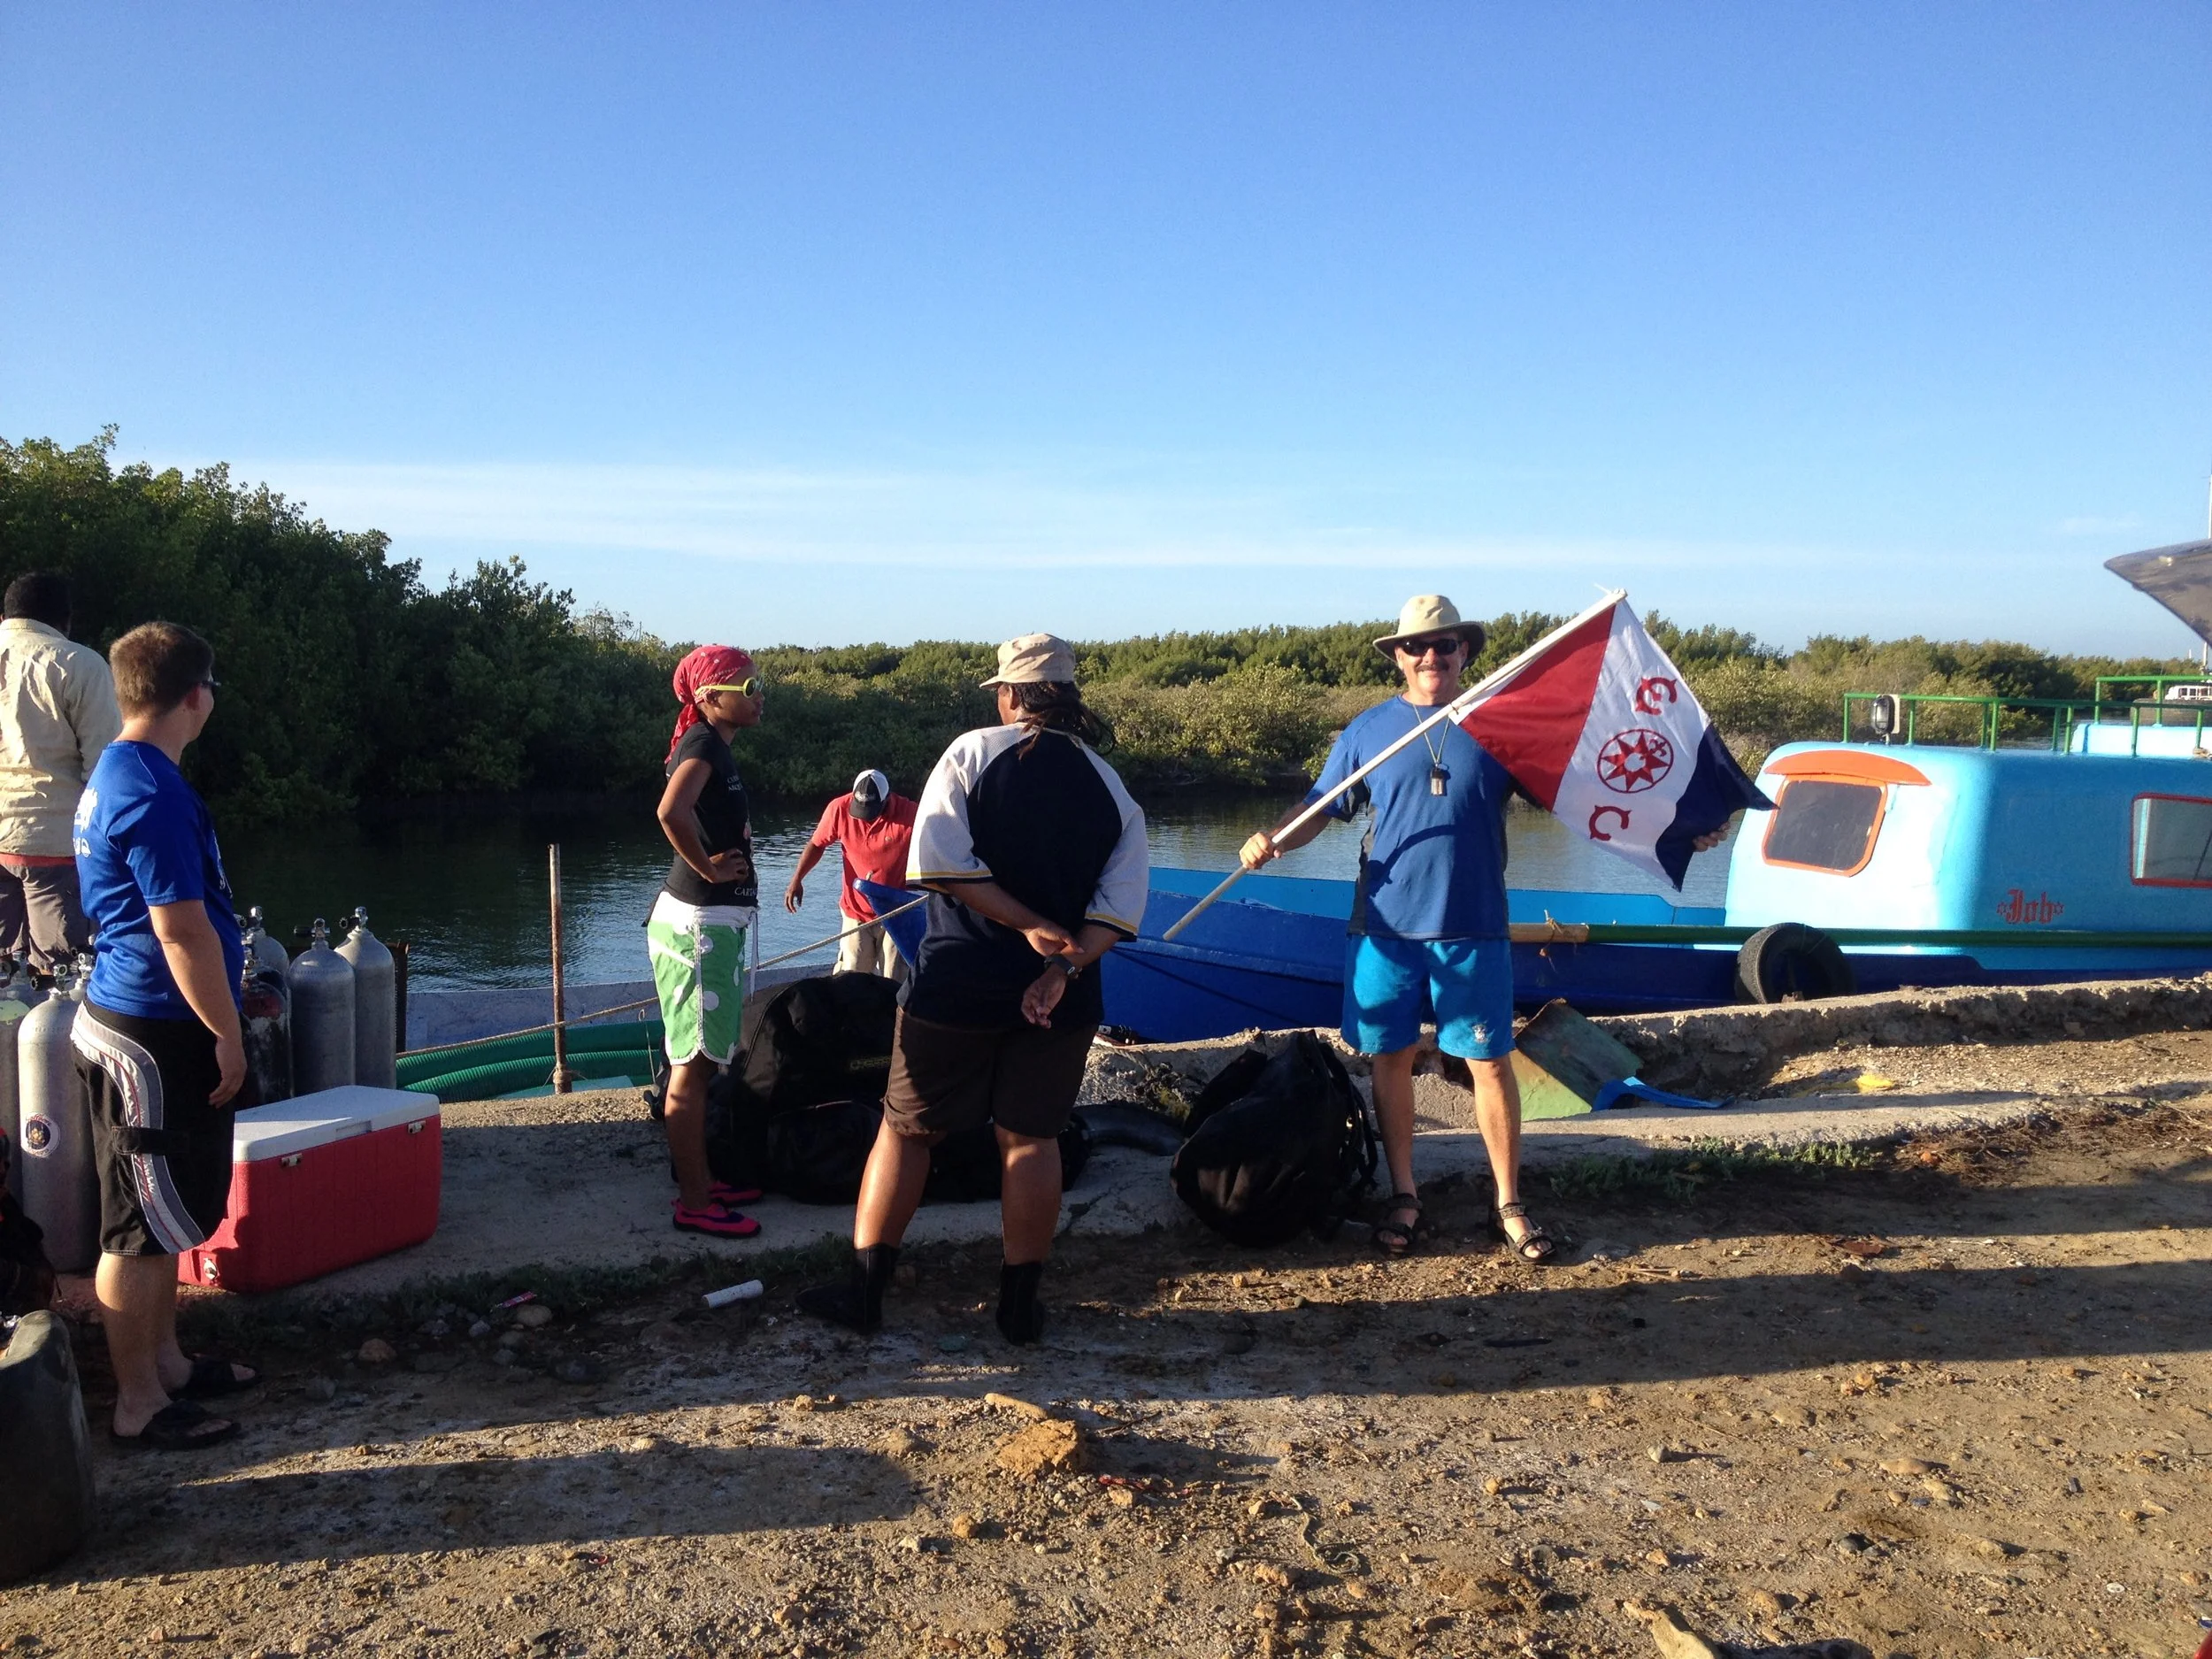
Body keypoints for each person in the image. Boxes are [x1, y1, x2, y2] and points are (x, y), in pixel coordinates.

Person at [798, 634, 1147, 1343]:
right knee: (1033, 1139)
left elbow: (939, 866)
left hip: (957, 982)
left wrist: (1023, 926)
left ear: (1012, 694)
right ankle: (1019, 1309)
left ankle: (866, 1294)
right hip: (1063, 1000)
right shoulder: (1112, 787)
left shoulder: (970, 753)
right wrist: (1060, 968)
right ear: (1070, 697)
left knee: (904, 1131)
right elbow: (1118, 910)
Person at [70, 621, 256, 1448]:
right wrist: (227, 1030)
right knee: (138, 1226)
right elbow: (181, 931)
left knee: (166, 1211)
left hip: (150, 1016)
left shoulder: (127, 768)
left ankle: (170, 1361)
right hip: (149, 1027)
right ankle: (138, 1402)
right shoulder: (148, 790)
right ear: (196, 695)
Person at [650, 644, 767, 1240]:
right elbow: (671, 811)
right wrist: (710, 868)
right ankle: (694, 1200)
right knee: (691, 1068)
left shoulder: (713, 748)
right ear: (708, 697)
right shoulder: (701, 744)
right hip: (697, 927)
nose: (759, 694)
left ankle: (701, 1179)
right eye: (747, 686)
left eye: (758, 684)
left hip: (711, 924)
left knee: (700, 1060)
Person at [0, 572, 121, 977]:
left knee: (4, 981)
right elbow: (105, 768)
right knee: (63, 979)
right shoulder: (78, 664)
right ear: (64, 619)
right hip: (54, 845)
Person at [784, 769, 918, 981]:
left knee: (894, 980)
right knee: (851, 979)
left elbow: (937, 845)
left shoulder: (911, 814)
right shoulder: (838, 808)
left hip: (896, 913)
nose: (864, 817)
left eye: (871, 810)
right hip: (856, 911)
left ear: (886, 800)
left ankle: (891, 1014)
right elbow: (817, 844)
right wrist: (797, 879)